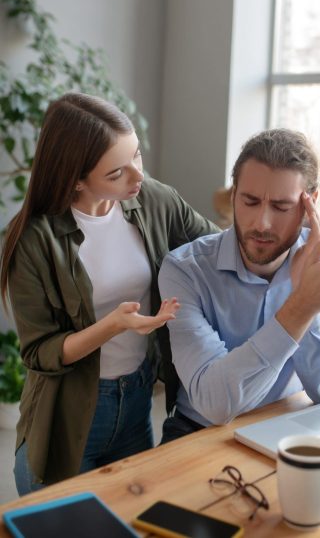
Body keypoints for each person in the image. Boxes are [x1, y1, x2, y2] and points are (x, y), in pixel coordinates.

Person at [0, 92, 219, 495]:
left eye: (136, 155)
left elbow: (218, 247)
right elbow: (40, 353)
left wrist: (301, 235)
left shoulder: (153, 200)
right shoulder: (34, 240)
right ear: (76, 179)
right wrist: (112, 326)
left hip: (136, 404)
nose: (138, 176)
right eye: (117, 173)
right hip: (67, 417)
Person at [158, 128, 320, 442]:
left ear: (311, 205)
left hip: (287, 425)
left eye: (281, 207)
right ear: (234, 193)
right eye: (250, 201)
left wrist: (311, 294)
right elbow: (214, 404)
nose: (262, 223)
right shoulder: (184, 270)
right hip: (199, 432)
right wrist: (303, 302)